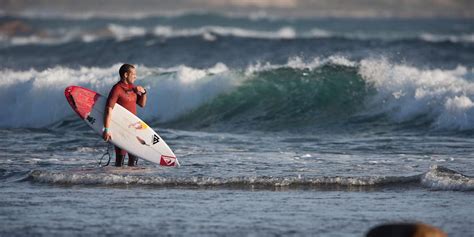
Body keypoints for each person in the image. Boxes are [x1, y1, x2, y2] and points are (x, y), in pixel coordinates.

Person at [102, 64, 147, 167]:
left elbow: (142, 104)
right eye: (134, 74)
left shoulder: (133, 88)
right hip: (120, 128)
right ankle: (118, 181)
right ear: (126, 75)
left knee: (134, 160)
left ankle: (131, 181)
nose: (135, 76)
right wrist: (106, 129)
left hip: (133, 129)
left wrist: (144, 93)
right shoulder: (117, 89)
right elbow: (108, 109)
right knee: (120, 160)